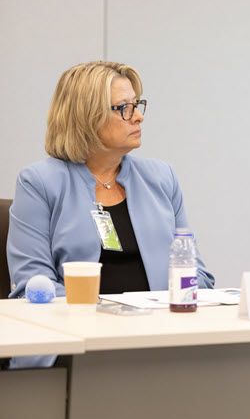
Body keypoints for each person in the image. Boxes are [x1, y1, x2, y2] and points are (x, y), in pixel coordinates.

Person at [7, 62, 214, 366]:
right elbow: (32, 286)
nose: (138, 116)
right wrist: (111, 317)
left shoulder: (160, 177)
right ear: (86, 118)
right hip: (76, 342)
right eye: (124, 108)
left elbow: (198, 276)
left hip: (160, 335)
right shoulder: (39, 182)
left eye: (137, 105)